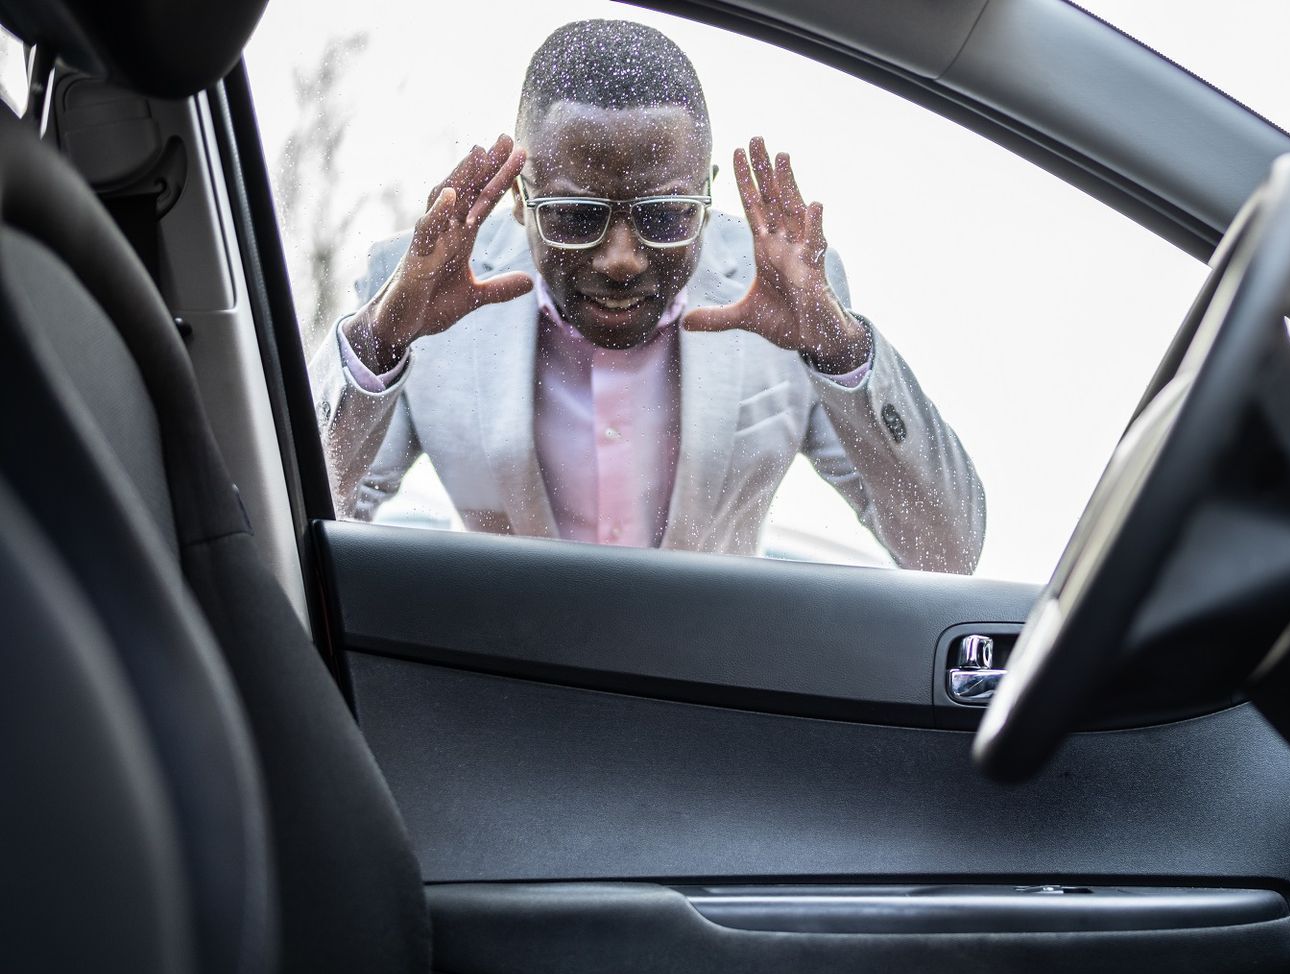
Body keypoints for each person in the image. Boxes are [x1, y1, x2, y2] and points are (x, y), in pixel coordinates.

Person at [311, 19, 985, 574]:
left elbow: (947, 553)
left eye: (664, 214)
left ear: (709, 191)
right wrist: (378, 343)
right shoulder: (423, 289)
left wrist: (839, 351)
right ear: (520, 201)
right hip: (505, 690)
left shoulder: (792, 293)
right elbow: (301, 525)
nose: (623, 259)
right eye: (576, 217)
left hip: (700, 699)